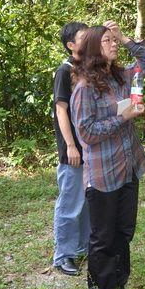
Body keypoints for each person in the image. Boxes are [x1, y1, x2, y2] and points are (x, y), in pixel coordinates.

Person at [71, 21, 145, 289]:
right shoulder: (84, 88)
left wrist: (125, 37)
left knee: (124, 231)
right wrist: (124, 117)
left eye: (114, 40)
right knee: (103, 235)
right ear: (94, 48)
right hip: (103, 172)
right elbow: (87, 133)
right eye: (107, 41)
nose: (113, 45)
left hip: (127, 166)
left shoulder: (121, 78)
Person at [51, 21, 91, 276]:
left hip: (92, 148)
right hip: (73, 150)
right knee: (70, 202)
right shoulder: (65, 71)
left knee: (88, 201)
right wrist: (70, 146)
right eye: (83, 38)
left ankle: (83, 247)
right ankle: (64, 255)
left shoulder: (90, 69)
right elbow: (61, 109)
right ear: (71, 45)